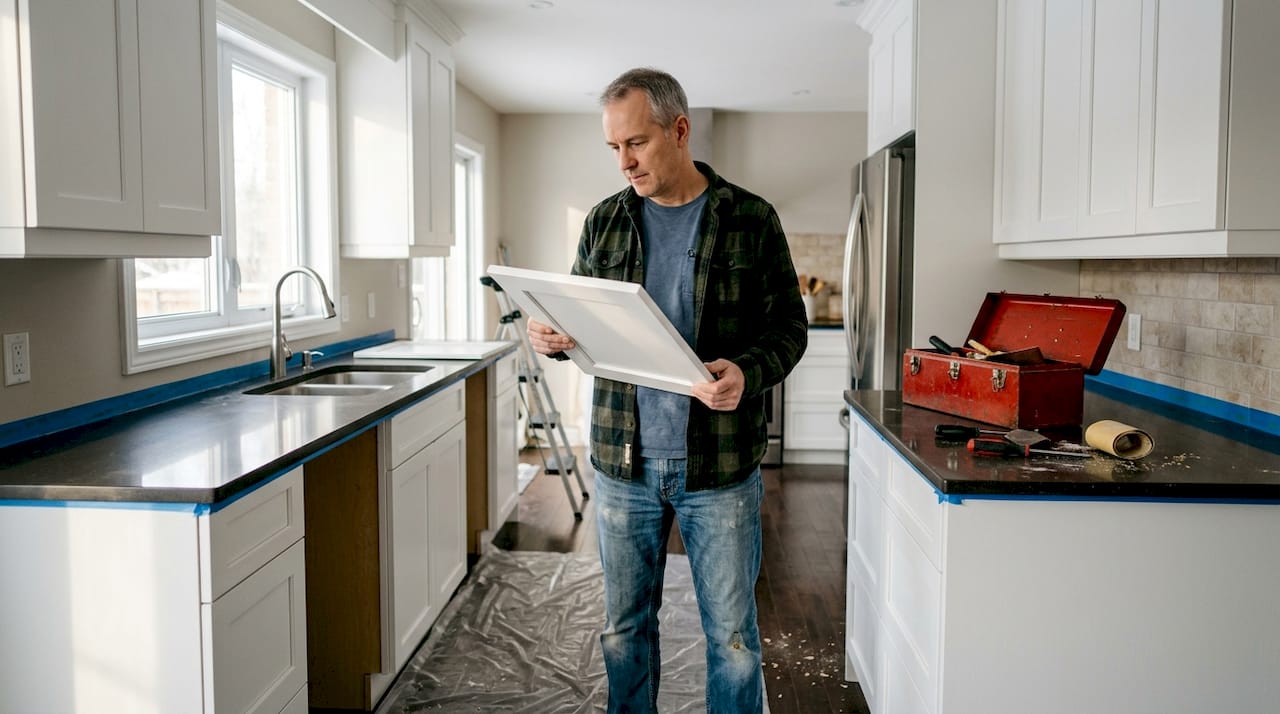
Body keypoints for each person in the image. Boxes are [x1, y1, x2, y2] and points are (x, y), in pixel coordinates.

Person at [526, 67, 808, 713]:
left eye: (636, 143)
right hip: (624, 463)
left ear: (678, 130)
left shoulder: (750, 218)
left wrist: (748, 370)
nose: (624, 161)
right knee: (624, 630)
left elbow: (790, 329)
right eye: (614, 148)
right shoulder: (605, 222)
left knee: (733, 639)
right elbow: (584, 328)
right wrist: (559, 338)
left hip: (721, 466)